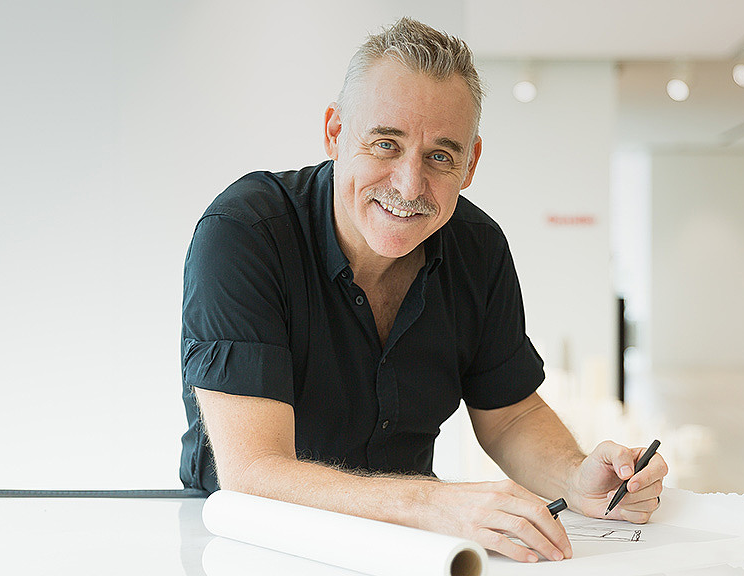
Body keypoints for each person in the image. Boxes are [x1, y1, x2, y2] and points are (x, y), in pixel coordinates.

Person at [178, 17, 667, 563]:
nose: (410, 186)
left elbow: (510, 415)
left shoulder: (479, 248)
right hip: (251, 544)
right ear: (335, 133)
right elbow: (254, 472)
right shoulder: (246, 232)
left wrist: (577, 477)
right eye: (386, 144)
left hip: (410, 548)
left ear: (471, 163)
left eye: (440, 156)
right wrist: (435, 503)